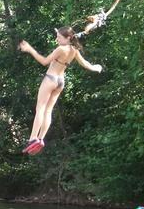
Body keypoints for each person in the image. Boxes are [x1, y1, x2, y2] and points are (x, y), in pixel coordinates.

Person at [19, 27, 103, 155]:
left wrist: (30, 49)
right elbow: (85, 64)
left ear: (68, 38)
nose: (57, 39)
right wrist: (96, 68)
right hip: (60, 82)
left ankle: (32, 139)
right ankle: (41, 139)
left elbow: (44, 61)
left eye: (59, 37)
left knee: (40, 109)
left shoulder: (60, 49)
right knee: (48, 110)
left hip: (50, 79)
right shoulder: (74, 50)